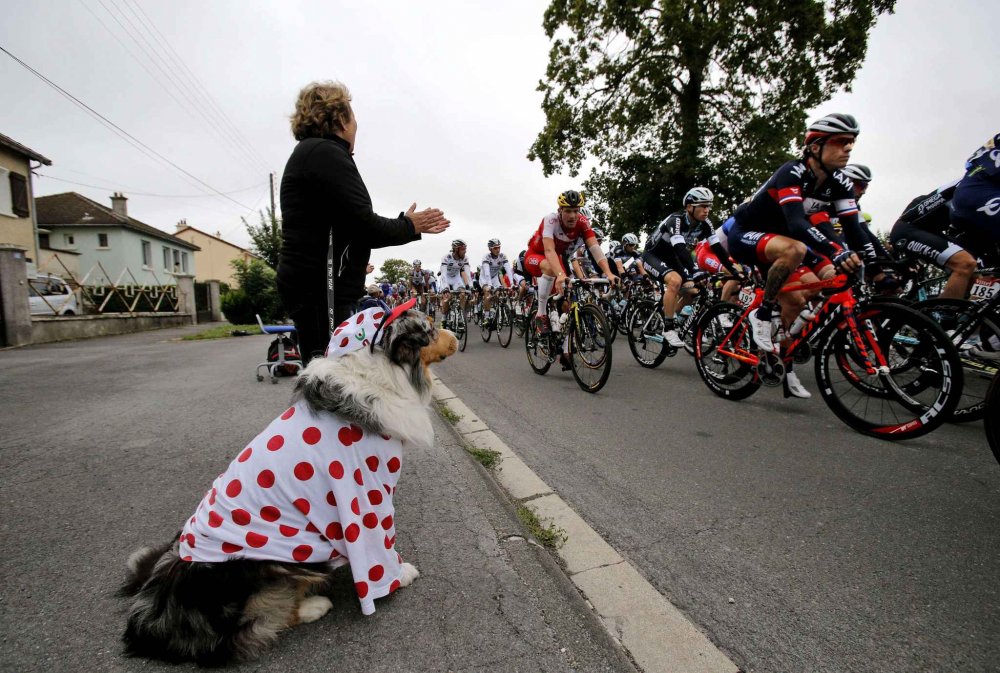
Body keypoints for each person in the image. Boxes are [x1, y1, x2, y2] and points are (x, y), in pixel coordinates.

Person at [277, 80, 450, 364]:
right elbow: (365, 227)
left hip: (317, 285)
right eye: (353, 116)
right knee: (334, 381)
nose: (356, 125)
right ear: (341, 119)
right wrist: (410, 225)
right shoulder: (325, 154)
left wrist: (406, 224)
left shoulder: (316, 153)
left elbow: (352, 224)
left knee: (331, 379)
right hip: (322, 288)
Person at [727, 113, 870, 398]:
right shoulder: (792, 172)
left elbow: (855, 231)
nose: (848, 149)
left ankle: (783, 363)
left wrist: (874, 263)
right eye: (841, 142)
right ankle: (763, 313)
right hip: (747, 234)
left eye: (851, 142)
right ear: (815, 146)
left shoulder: (840, 183)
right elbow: (796, 224)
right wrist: (836, 251)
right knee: (797, 248)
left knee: (818, 285)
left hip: (784, 245)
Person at [524, 190, 618, 335]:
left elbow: (595, 248)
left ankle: (564, 337)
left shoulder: (582, 222)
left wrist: (609, 273)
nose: (573, 216)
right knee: (551, 268)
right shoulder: (550, 220)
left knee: (568, 292)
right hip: (536, 255)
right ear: (559, 210)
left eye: (576, 211)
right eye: (568, 211)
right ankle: (541, 314)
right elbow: (549, 251)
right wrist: (560, 274)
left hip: (558, 257)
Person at [641, 187, 715, 348]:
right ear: (690, 207)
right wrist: (695, 270)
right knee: (675, 281)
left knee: (693, 290)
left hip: (673, 257)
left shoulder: (705, 224)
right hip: (653, 256)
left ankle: (673, 316)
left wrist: (732, 269)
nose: (707, 210)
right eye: (703, 206)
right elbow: (681, 249)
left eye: (709, 206)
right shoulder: (676, 220)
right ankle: (668, 328)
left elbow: (718, 249)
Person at [478, 238, 513, 322]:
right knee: (487, 292)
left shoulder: (502, 256)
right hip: (485, 279)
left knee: (499, 294)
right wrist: (489, 285)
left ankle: (496, 311)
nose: (498, 250)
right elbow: (486, 272)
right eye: (495, 248)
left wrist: (512, 284)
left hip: (494, 278)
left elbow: (508, 269)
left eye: (499, 247)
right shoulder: (486, 257)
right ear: (490, 249)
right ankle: (486, 316)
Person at [439, 239, 472, 326]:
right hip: (446, 279)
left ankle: (460, 315)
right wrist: (445, 288)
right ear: (456, 249)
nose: (465, 251)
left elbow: (467, 273)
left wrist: (469, 286)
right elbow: (443, 274)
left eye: (465, 249)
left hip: (456, 279)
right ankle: (444, 317)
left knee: (462, 294)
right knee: (447, 298)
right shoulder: (446, 257)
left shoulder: (465, 258)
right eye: (463, 249)